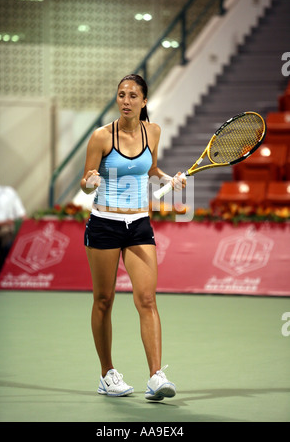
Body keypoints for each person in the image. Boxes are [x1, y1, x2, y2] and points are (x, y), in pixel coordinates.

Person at [80, 74, 186, 400]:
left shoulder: (152, 132)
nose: (125, 100)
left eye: (132, 95)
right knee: (103, 300)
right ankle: (106, 374)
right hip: (104, 224)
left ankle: (155, 376)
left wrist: (170, 178)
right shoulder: (101, 137)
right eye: (121, 94)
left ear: (143, 101)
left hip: (139, 225)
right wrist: (91, 182)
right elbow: (85, 180)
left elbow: (150, 170)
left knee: (147, 299)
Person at [0, 167, 26, 286]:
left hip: (7, 227)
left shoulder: (9, 192)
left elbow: (21, 215)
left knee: (6, 234)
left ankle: (6, 272)